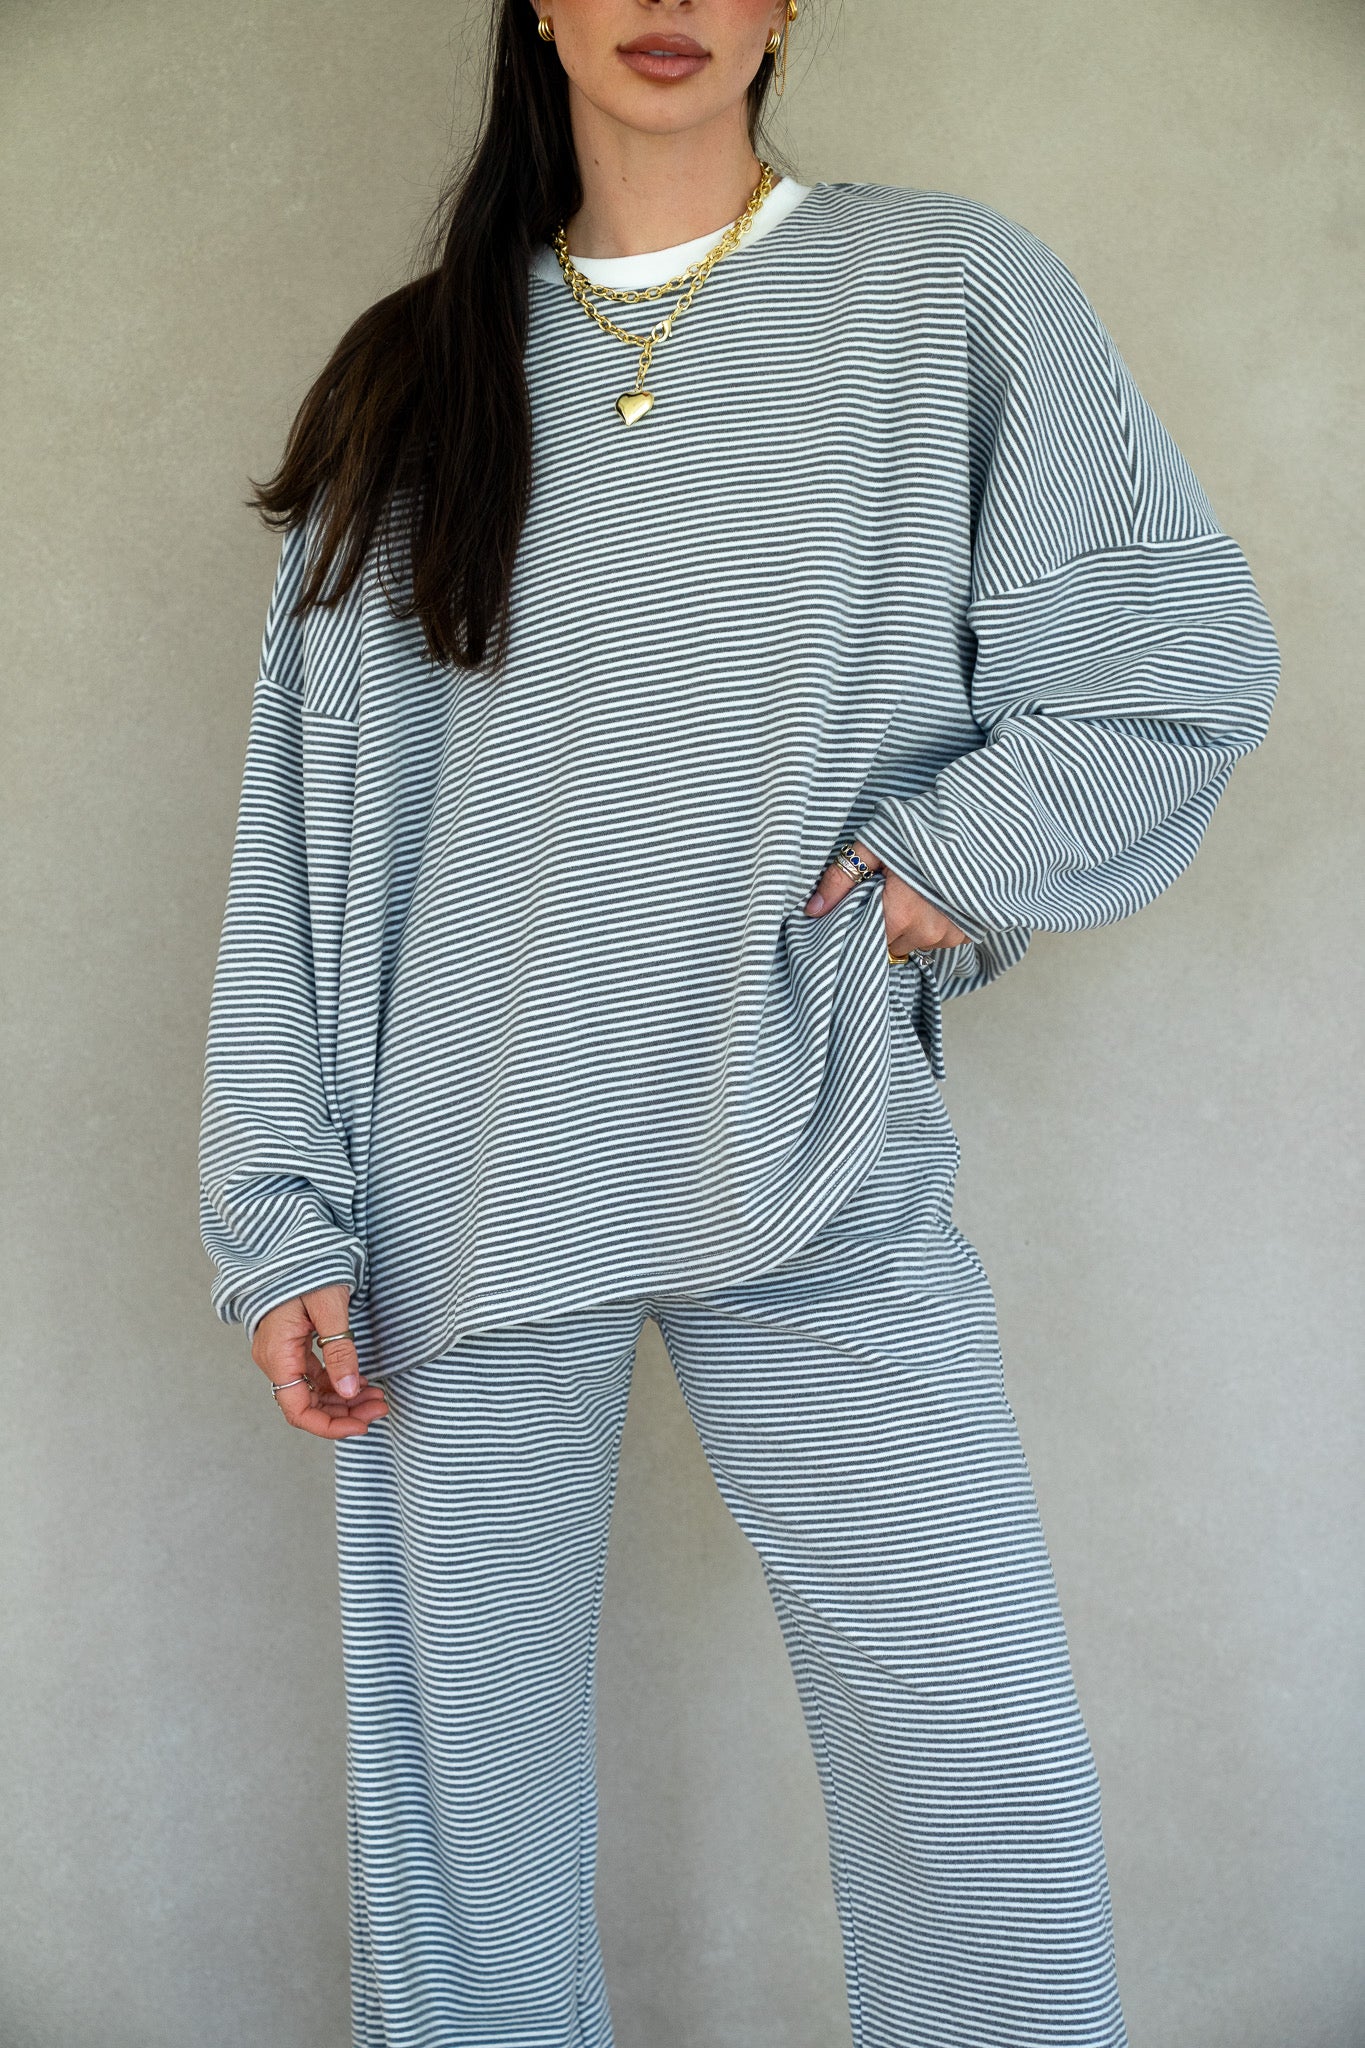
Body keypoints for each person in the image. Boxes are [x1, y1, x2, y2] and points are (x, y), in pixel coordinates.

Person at [198, 2, 1278, 2042]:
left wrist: (944, 864)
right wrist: (279, 1209)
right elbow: (309, 823)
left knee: (978, 1773)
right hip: (458, 1169)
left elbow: (1167, 654)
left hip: (812, 1133)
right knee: (462, 1824)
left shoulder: (945, 290)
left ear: (787, 4)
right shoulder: (412, 371)